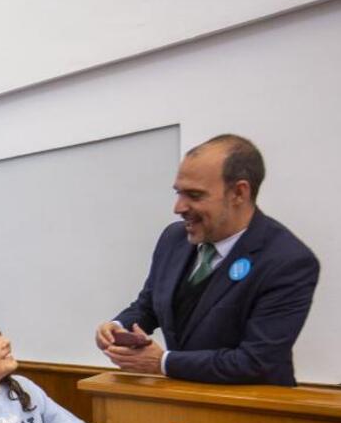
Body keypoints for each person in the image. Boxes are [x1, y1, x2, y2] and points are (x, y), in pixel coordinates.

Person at [95, 134, 319, 386]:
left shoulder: (288, 261)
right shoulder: (173, 239)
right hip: (180, 402)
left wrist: (163, 362)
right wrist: (118, 326)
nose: (178, 207)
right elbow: (149, 305)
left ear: (239, 192)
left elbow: (256, 361)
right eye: (178, 193)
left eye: (194, 195)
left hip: (252, 412)